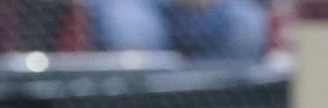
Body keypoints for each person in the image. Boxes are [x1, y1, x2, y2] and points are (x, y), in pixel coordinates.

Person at [87, 0, 269, 62]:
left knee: (246, 25)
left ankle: (216, 105)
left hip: (211, 9)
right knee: (133, 32)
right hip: (139, 5)